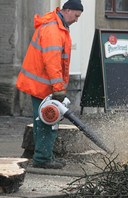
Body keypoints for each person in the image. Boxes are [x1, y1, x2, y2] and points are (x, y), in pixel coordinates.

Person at [16, 0, 83, 169]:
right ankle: (43, 159)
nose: (77, 20)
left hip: (41, 85)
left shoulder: (56, 26)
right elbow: (52, 62)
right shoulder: (54, 29)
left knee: (42, 121)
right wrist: (59, 89)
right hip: (44, 86)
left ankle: (43, 156)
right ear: (67, 10)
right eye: (76, 15)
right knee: (49, 120)